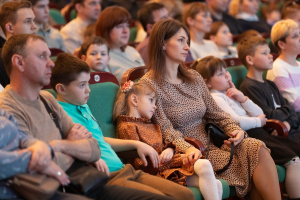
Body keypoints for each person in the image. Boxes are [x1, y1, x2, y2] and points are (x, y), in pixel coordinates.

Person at [139, 18, 281, 199]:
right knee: (251, 165)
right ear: (163, 43)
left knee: (255, 147)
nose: (187, 47)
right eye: (181, 40)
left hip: (213, 140)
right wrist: (189, 148)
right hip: (190, 152)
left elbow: (216, 113)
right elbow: (165, 131)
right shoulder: (149, 85)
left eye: (187, 41)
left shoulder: (193, 77)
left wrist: (235, 130)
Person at [50, 52, 196, 200]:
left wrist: (136, 144)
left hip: (124, 169)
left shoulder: (82, 105)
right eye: (82, 85)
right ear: (62, 89)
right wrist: (90, 157)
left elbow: (100, 140)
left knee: (185, 195)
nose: (88, 89)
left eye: (88, 83)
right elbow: (64, 150)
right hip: (106, 177)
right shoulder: (58, 114)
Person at [194, 55, 300, 200]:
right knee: (293, 160)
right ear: (207, 83)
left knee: (297, 152)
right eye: (220, 74)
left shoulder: (231, 94)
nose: (227, 75)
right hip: (248, 136)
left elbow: (259, 113)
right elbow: (235, 122)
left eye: (226, 70)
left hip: (259, 133)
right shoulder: (216, 98)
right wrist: (257, 122)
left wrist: (242, 98)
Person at [113, 81, 223, 200]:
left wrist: (170, 149)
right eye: (151, 100)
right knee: (205, 167)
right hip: (155, 174)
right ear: (134, 100)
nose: (155, 106)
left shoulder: (150, 124)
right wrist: (178, 159)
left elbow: (162, 146)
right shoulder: (128, 126)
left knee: (217, 183)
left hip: (168, 167)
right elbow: (142, 164)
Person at [239, 36, 300, 143]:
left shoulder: (270, 84)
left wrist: (288, 123)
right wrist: (287, 111)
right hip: (278, 138)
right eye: (264, 53)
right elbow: (270, 116)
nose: (270, 56)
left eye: (270, 52)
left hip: (290, 130)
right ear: (250, 59)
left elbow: (293, 112)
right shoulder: (249, 87)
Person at [95, 6, 144, 83]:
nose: (125, 31)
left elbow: (147, 76)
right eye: (120, 26)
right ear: (106, 29)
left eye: (127, 26)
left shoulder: (131, 50)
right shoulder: (100, 57)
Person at [0, 0, 37, 88]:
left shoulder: (36, 54)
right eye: (28, 21)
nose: (34, 26)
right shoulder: (1, 61)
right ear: (10, 27)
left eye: (33, 20)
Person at [266, 19, 300, 113]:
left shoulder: (299, 64)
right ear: (281, 44)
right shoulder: (277, 68)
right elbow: (296, 105)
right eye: (295, 36)